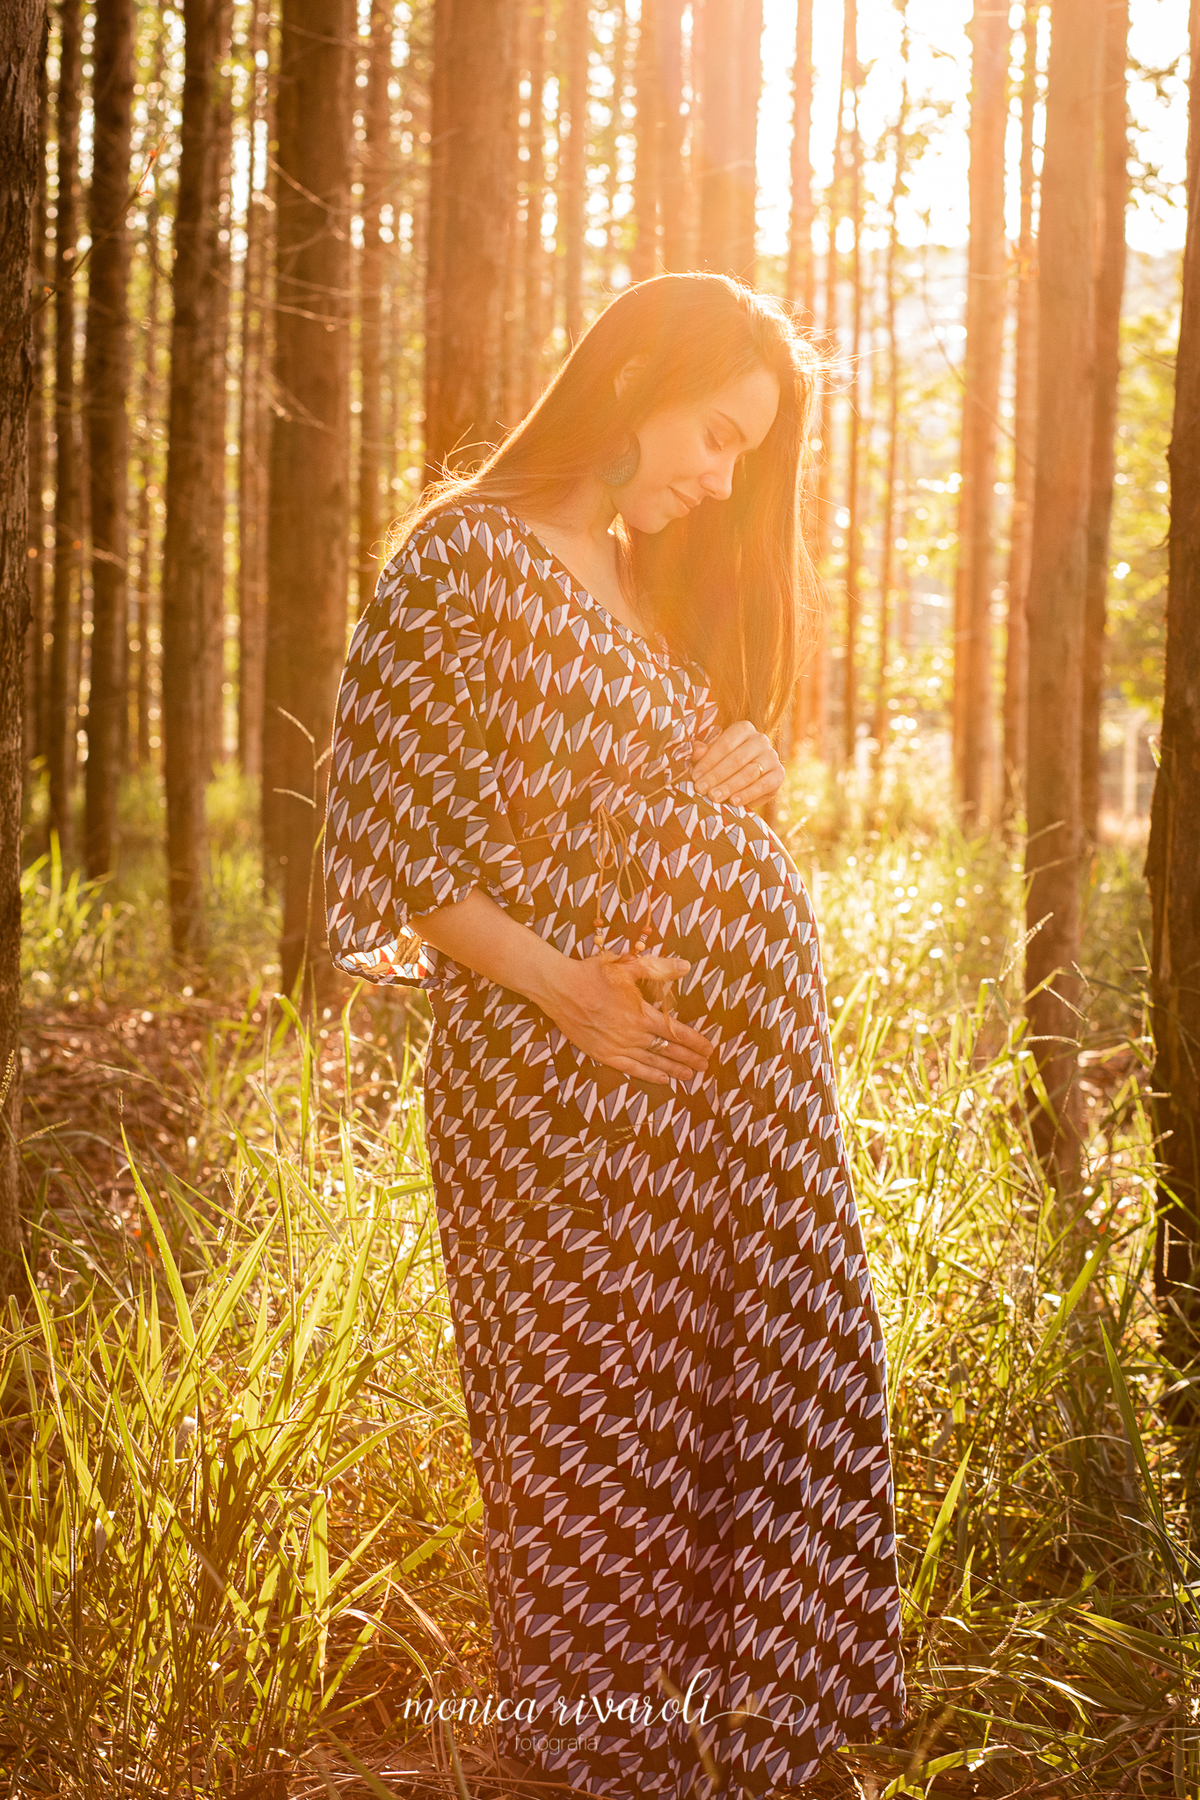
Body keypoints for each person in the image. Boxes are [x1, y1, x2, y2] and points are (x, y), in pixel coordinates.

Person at [324, 272, 906, 1800]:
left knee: (746, 1411)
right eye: (715, 437)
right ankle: (599, 1767)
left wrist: (751, 754)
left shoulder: (640, 580)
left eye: (741, 460)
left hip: (738, 1109)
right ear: (637, 369)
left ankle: (736, 1749)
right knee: (595, 1428)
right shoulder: (464, 558)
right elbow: (395, 846)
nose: (721, 479)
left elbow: (657, 788)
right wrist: (574, 989)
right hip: (563, 1093)